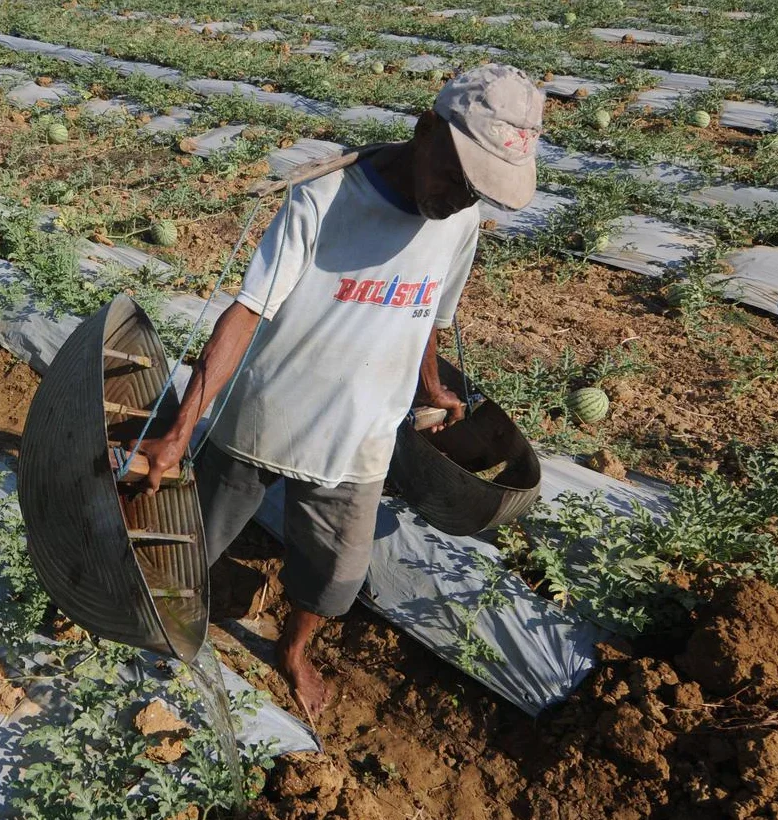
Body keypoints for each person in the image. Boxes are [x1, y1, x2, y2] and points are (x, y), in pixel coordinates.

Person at [132, 64, 546, 718]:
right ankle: (155, 621)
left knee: (333, 580)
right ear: (427, 127)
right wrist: (181, 430)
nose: (459, 197)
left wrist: (433, 387)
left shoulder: (460, 222)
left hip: (361, 438)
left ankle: (293, 652)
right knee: (188, 542)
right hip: (260, 418)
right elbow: (246, 312)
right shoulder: (327, 196)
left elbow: (429, 317)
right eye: (454, 175)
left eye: (477, 190)